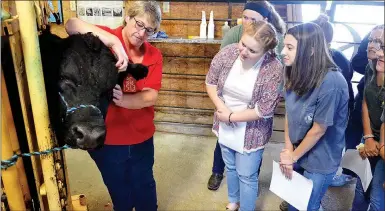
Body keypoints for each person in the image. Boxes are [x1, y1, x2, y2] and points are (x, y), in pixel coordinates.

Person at [65, 2, 162, 211]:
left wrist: (123, 100)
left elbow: (151, 96)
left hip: (141, 136)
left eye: (149, 30)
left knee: (144, 184)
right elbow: (71, 24)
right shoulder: (104, 38)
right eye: (139, 24)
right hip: (109, 139)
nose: (141, 33)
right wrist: (113, 42)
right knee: (119, 188)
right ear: (128, 17)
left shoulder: (154, 55)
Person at [207, 0, 286, 192]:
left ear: (264, 20)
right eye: (245, 17)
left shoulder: (276, 42)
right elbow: (223, 63)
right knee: (223, 143)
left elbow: (278, 68)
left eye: (253, 19)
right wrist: (222, 105)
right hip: (229, 101)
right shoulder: (235, 33)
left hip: (253, 103)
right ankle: (218, 171)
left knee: (250, 160)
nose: (247, 22)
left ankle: (250, 178)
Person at [279, 22, 349, 211]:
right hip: (297, 150)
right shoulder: (293, 70)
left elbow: (319, 130)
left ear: (310, 51)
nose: (283, 52)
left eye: (290, 47)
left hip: (321, 158)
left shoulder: (332, 82)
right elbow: (289, 113)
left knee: (307, 205)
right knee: (294, 201)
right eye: (284, 46)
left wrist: (292, 158)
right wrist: (288, 150)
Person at [311, 13, 355, 187]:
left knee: (321, 144)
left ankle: (315, 186)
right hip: (339, 108)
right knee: (326, 144)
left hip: (331, 108)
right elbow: (350, 73)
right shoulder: (338, 56)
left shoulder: (324, 59)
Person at [352, 24, 384, 211]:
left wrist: (378, 143)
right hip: (373, 136)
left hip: (383, 144)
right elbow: (365, 101)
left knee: (378, 198)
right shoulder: (370, 67)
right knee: (361, 185)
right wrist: (368, 137)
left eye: (379, 42)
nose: (372, 45)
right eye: (371, 39)